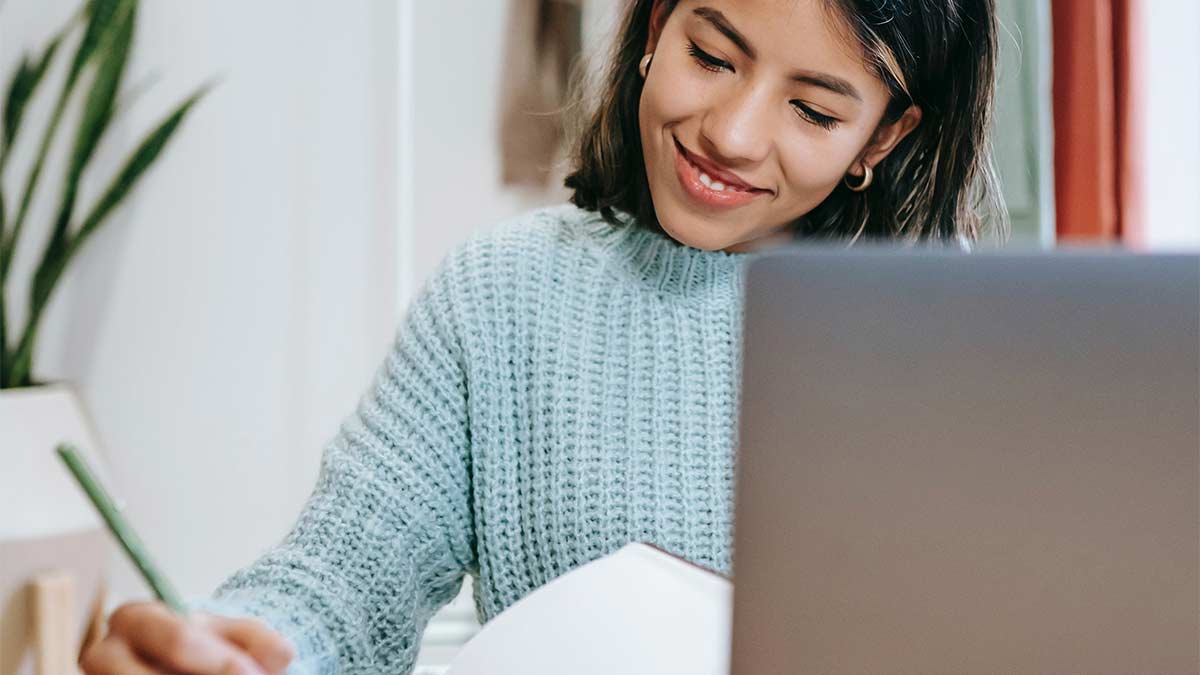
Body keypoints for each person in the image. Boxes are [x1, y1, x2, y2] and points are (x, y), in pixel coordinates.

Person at [81, 0, 1005, 673]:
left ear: (883, 137)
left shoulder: (960, 335)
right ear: (655, 29)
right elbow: (338, 586)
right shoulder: (501, 297)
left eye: (813, 111)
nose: (732, 133)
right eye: (713, 54)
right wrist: (226, 646)